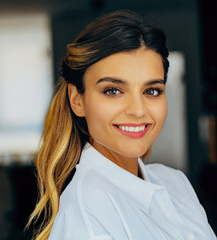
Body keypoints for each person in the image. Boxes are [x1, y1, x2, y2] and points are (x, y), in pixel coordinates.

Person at [27, 10, 217, 240]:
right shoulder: (87, 216)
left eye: (152, 91)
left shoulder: (175, 182)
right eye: (113, 91)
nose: (138, 110)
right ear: (77, 99)